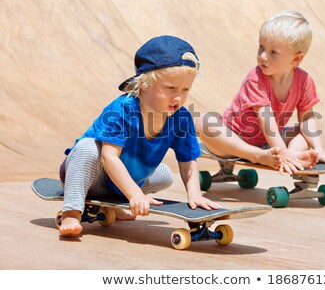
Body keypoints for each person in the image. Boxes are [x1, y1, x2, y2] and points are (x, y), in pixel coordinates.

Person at [59, 35, 219, 237]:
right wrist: (135, 194)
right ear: (144, 84)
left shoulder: (181, 118)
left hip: (116, 181)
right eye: (170, 88)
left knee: (165, 175)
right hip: (89, 174)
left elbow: (188, 160)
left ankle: (113, 204)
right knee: (87, 148)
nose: (178, 97)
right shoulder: (122, 109)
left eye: (185, 90)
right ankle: (72, 212)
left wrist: (194, 194)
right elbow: (108, 158)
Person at [196, 10, 325, 175]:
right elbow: (265, 118)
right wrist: (279, 150)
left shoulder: (304, 81)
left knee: (302, 131)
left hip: (270, 144)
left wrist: (318, 148)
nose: (262, 56)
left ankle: (294, 154)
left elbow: (307, 117)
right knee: (203, 123)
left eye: (273, 52)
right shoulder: (256, 78)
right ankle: (260, 155)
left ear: (296, 59)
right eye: (261, 47)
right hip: (235, 140)